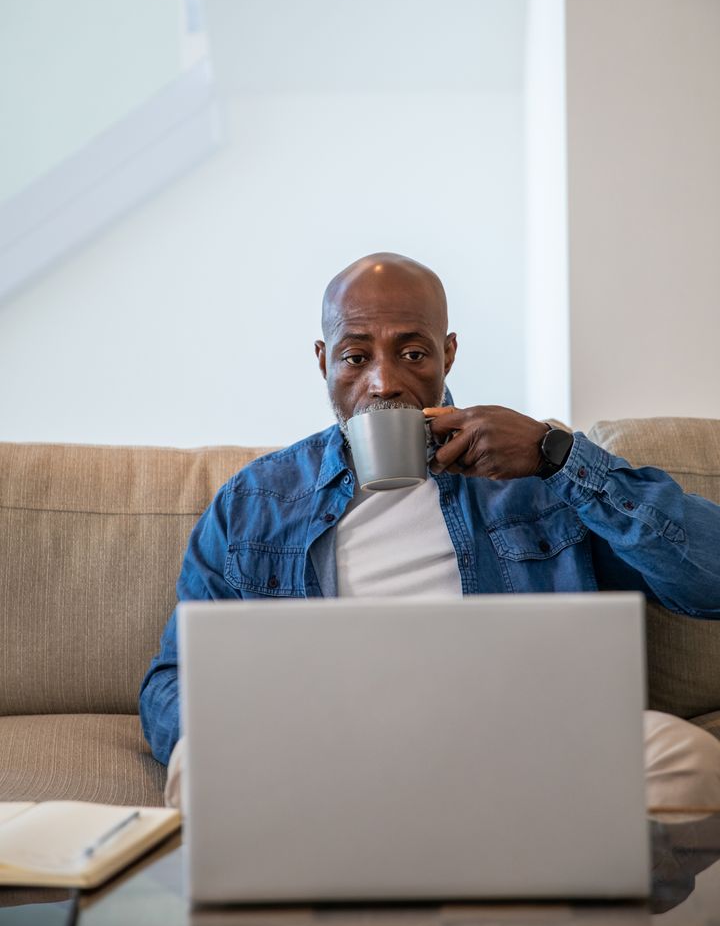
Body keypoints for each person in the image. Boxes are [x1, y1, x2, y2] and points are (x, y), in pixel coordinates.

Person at [139, 253, 720, 810]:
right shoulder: (257, 503)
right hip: (327, 752)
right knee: (201, 762)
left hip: (525, 738)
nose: (383, 382)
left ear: (448, 353)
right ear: (323, 361)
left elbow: (709, 581)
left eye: (413, 353)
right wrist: (271, 730)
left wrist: (557, 457)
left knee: (686, 760)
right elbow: (173, 679)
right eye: (355, 356)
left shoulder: (538, 474)